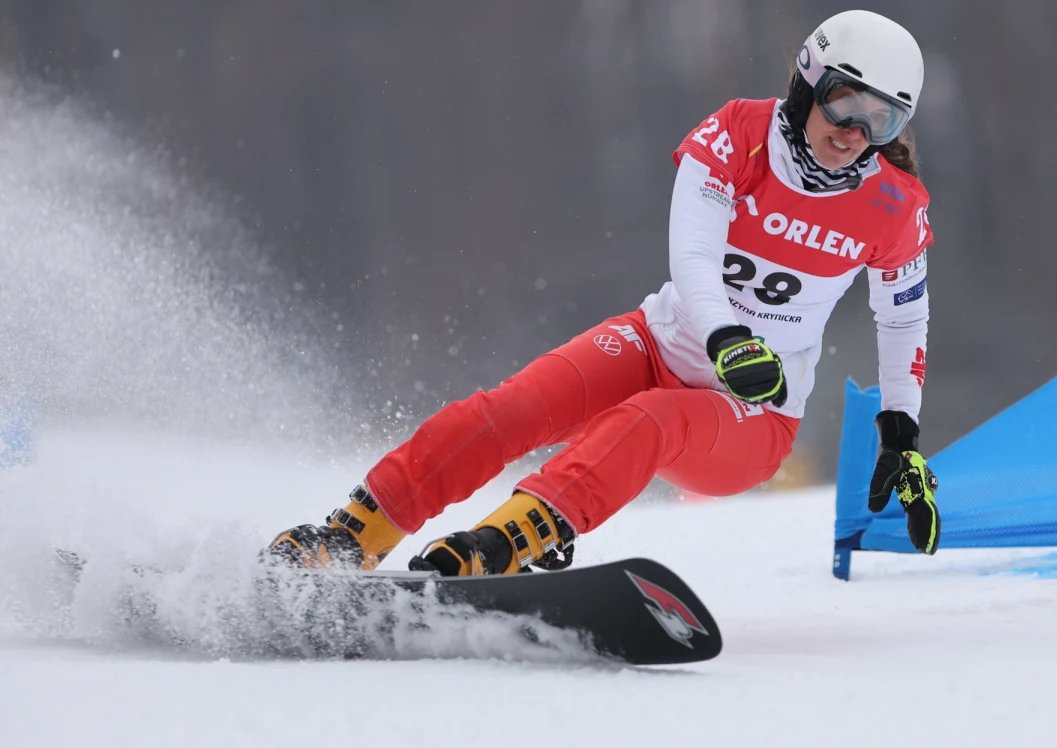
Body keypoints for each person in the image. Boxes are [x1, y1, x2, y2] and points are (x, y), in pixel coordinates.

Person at [266, 9, 941, 576]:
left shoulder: (894, 204)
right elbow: (696, 250)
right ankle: (350, 537)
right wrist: (725, 336)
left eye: (880, 121)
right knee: (508, 410)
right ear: (806, 83)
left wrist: (900, 432)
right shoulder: (738, 133)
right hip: (662, 342)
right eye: (844, 101)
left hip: (755, 413)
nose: (853, 133)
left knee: (648, 420)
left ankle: (498, 546)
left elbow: (902, 321)